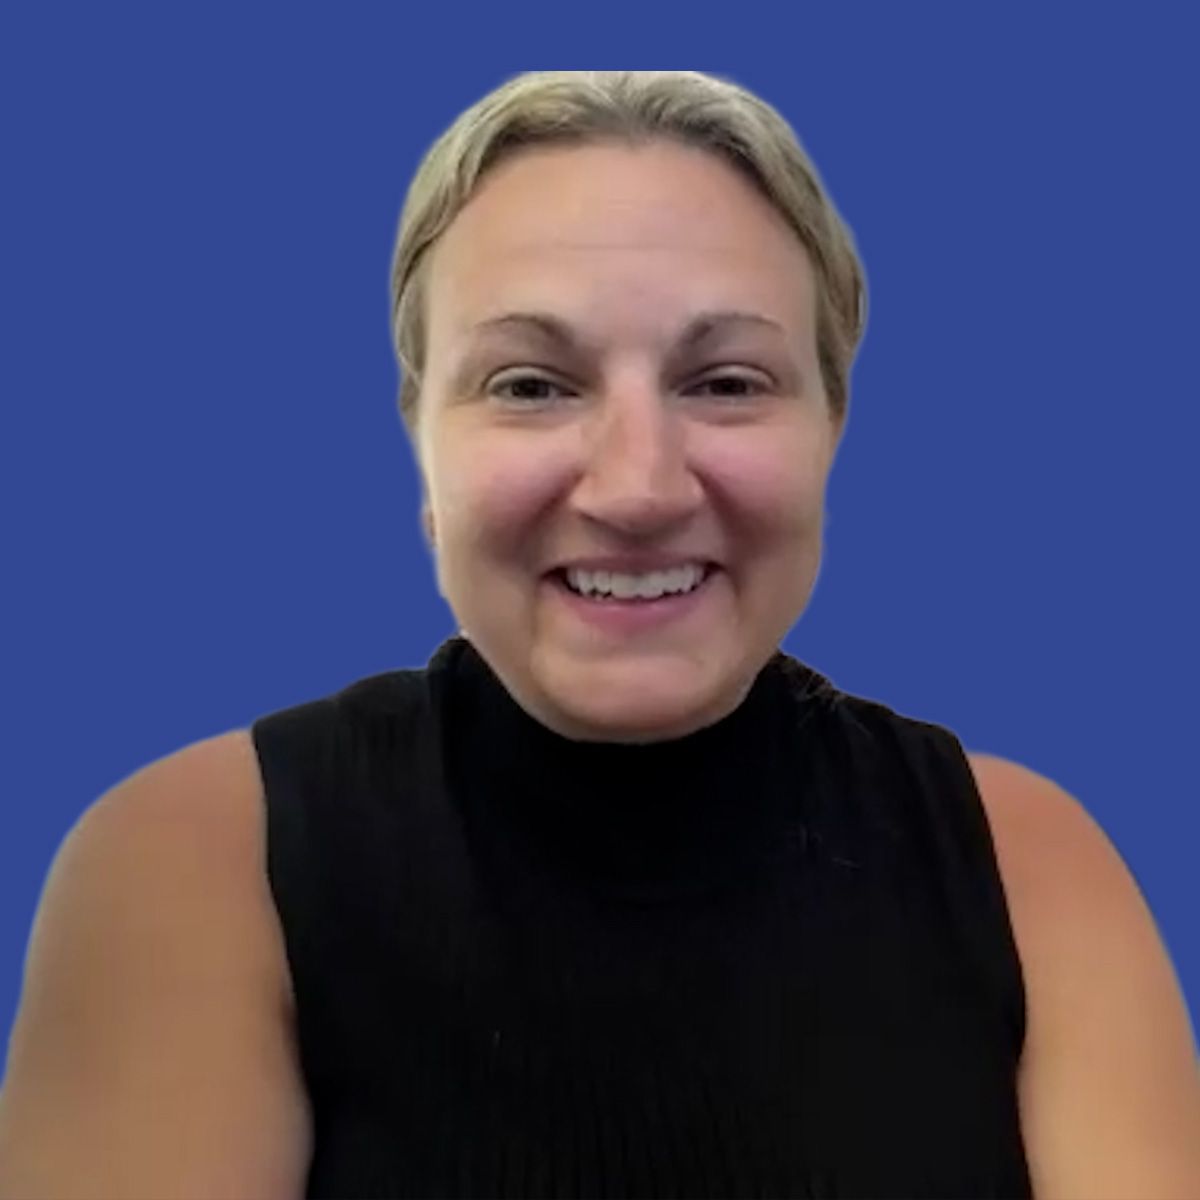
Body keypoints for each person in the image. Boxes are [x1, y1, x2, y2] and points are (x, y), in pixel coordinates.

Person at [1, 69, 1197, 1200]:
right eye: (529, 384)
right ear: (423, 450)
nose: (638, 487)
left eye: (727, 381)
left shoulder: (1030, 865)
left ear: (831, 429)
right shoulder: (198, 863)